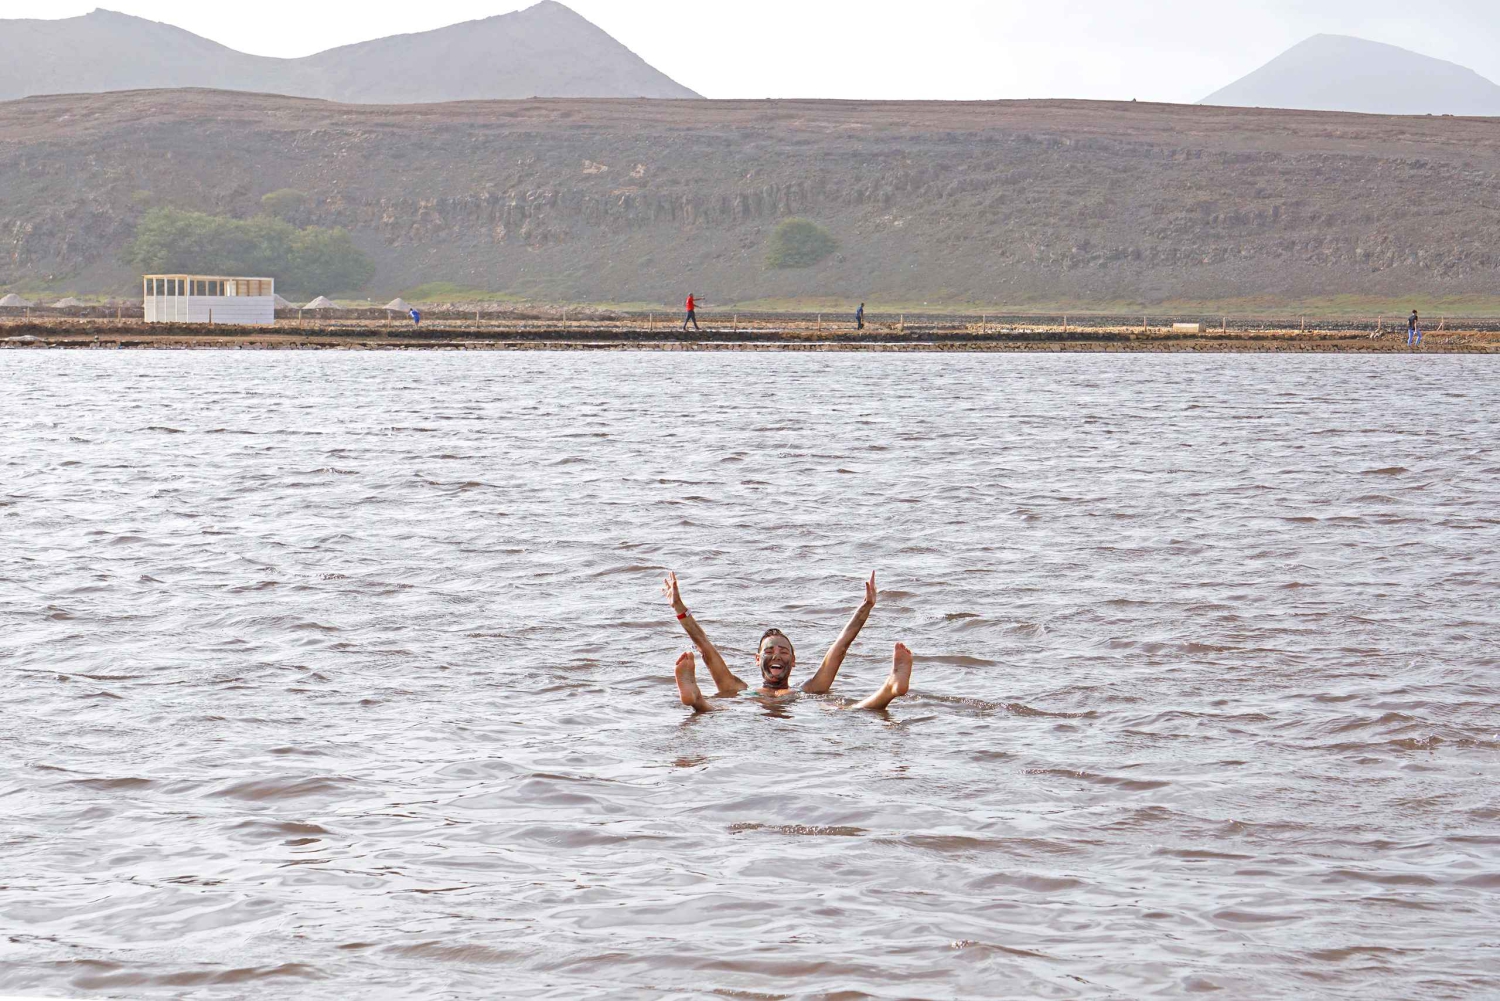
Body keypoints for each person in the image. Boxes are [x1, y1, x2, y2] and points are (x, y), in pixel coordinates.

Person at [662, 571, 913, 712]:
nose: (776, 655)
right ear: (757, 659)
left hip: (786, 708)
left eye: (784, 651)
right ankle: (695, 697)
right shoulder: (737, 688)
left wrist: (866, 606)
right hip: (752, 707)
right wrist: (679, 608)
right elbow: (706, 648)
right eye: (769, 651)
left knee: (846, 710)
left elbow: (840, 647)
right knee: (717, 709)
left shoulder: (808, 689)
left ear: (793, 662)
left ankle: (890, 688)